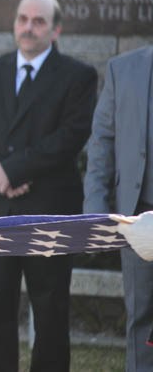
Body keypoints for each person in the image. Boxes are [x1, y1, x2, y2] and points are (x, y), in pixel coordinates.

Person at [0, 0, 97, 372]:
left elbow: (71, 136)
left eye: (39, 21)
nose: (28, 28)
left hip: (49, 207)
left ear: (56, 30)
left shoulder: (78, 76)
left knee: (50, 308)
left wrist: (16, 170)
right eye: (23, 19)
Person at [84, 44, 153, 372]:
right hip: (138, 218)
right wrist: (95, 210)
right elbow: (102, 142)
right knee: (141, 318)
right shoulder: (122, 69)